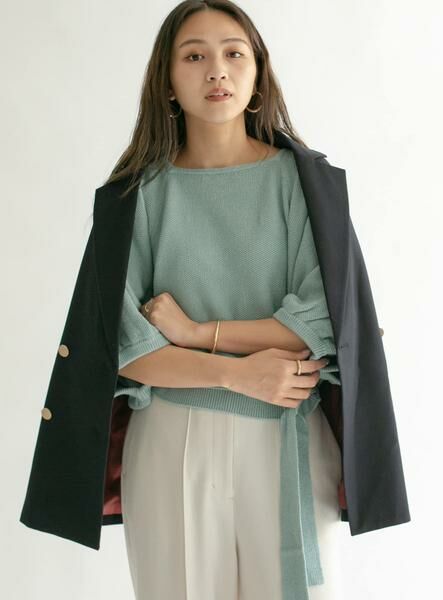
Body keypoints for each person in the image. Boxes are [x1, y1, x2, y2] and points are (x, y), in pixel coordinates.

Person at [104, 2, 345, 599]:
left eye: (234, 53)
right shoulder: (135, 196)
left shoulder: (304, 182)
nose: (217, 69)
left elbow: (321, 320)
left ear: (257, 73)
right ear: (167, 80)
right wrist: (240, 375)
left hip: (288, 430)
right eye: (194, 56)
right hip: (171, 434)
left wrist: (195, 333)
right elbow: (126, 347)